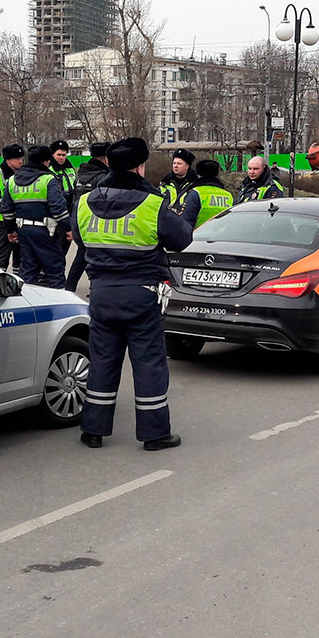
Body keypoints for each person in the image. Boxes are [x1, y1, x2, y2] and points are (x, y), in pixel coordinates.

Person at [77, 137, 195, 451]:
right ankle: (155, 434)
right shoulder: (152, 203)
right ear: (140, 166)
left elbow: (79, 239)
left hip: (100, 294)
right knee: (149, 363)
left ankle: (93, 430)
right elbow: (182, 239)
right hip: (142, 295)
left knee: (102, 360)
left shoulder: (85, 202)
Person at [0, 144, 70, 288]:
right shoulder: (48, 179)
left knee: (28, 270)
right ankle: (58, 305)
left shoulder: (12, 180)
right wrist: (68, 228)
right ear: (45, 161)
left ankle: (28, 303)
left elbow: (6, 210)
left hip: (23, 231)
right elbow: (58, 208)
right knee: (54, 269)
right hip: (46, 232)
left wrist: (10, 230)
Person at [66, 141, 111, 292]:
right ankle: (95, 288)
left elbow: (73, 198)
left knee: (81, 256)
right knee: (99, 258)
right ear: (105, 158)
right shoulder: (104, 177)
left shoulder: (80, 175)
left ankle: (69, 288)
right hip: (98, 223)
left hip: (81, 221)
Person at [0, 143, 24, 273]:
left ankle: (19, 285)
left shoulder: (23, 174)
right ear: (8, 160)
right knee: (1, 258)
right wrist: (8, 210)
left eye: (21, 158)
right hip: (2, 223)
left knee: (21, 258)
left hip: (20, 222)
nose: (21, 161)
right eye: (17, 159)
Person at [179, 159, 235, 227]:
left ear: (199, 175)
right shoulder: (228, 195)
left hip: (199, 236)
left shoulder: (195, 193)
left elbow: (185, 223)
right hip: (223, 236)